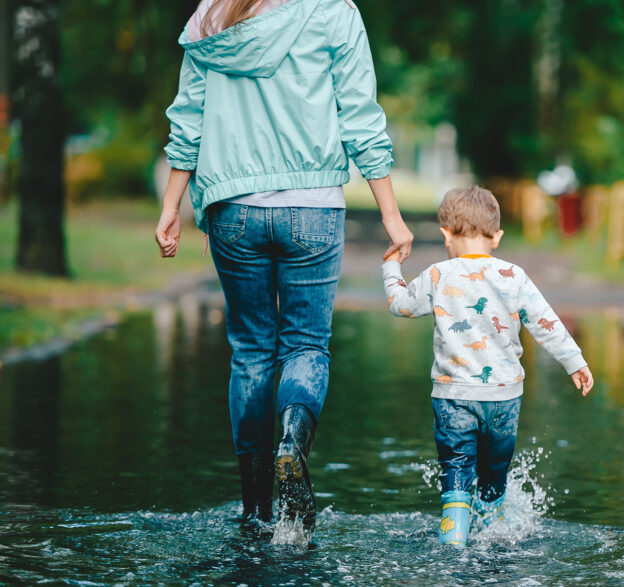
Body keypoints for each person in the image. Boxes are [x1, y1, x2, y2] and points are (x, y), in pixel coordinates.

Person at [154, 0, 414, 534]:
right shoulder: (333, 11)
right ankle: (292, 442)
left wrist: (171, 206)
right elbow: (359, 114)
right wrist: (390, 213)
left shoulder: (213, 15)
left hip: (233, 208)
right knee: (305, 345)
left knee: (251, 352)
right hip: (315, 207)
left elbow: (189, 116)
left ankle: (254, 511)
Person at [381, 186, 594, 547]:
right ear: (497, 237)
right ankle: (493, 543)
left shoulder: (438, 275)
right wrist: (575, 362)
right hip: (503, 399)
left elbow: (399, 304)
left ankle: (454, 545)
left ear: (446, 234)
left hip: (453, 398)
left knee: (457, 474)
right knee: (494, 478)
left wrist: (391, 266)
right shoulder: (514, 275)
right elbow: (546, 323)